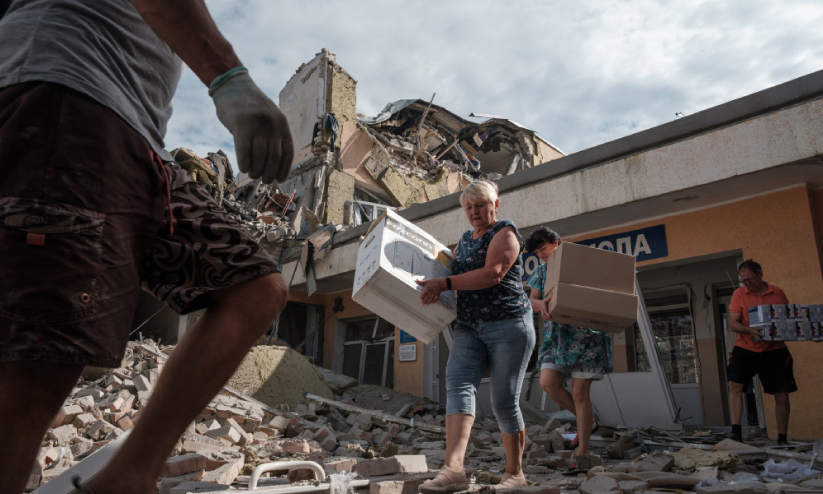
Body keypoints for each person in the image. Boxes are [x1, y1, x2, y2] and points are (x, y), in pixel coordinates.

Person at [0, 1, 294, 493]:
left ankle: (129, 474)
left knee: (255, 289)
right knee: (41, 354)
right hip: (70, 98)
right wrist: (229, 80)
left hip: (139, 143)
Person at [417, 181, 535, 492]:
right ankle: (453, 469)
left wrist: (444, 284)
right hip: (469, 326)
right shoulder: (465, 240)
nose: (475, 212)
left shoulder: (506, 233)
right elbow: (448, 271)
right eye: (469, 207)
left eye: (480, 205)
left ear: (496, 204)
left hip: (508, 324)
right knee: (457, 385)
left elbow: (493, 272)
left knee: (504, 401)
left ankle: (515, 474)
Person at [523, 226, 613, 463]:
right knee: (548, 383)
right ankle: (589, 422)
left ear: (555, 242)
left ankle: (583, 451)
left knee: (580, 392)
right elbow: (532, 299)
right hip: (557, 337)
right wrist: (540, 303)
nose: (541, 255)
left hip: (586, 337)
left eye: (543, 249)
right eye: (537, 253)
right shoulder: (541, 272)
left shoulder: (581, 263)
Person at [727, 259, 796, 445]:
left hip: (775, 350)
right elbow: (733, 323)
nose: (747, 284)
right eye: (744, 281)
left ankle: (782, 438)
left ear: (760, 274)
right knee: (734, 384)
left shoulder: (778, 292)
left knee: (782, 393)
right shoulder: (739, 294)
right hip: (746, 347)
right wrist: (749, 330)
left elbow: (788, 318)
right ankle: (736, 432)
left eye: (750, 279)